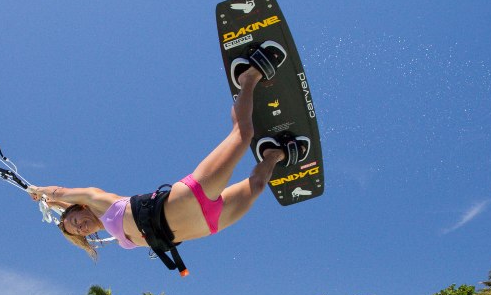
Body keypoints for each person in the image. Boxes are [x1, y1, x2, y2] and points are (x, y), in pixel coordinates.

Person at [29, 45, 303, 275]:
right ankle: (275, 153)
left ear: (81, 208)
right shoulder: (114, 234)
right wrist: (51, 204)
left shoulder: (99, 200)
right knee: (256, 185)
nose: (79, 227)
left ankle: (249, 77)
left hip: (190, 197)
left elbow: (63, 193)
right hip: (208, 224)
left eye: (75, 220)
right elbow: (62, 205)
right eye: (77, 231)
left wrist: (40, 191)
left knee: (243, 135)